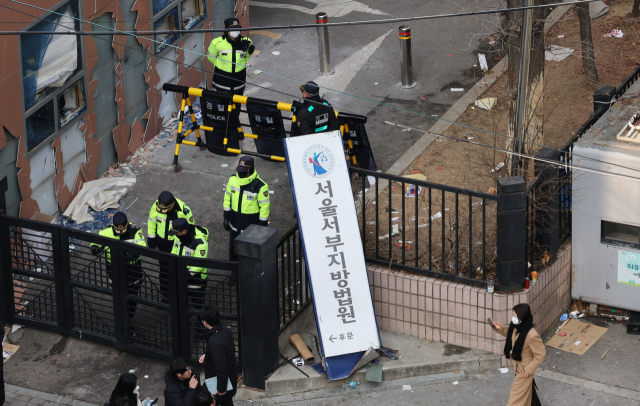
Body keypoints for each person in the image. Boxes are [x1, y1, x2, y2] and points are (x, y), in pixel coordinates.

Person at [90, 211, 145, 320]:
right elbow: (96, 242)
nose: (120, 232)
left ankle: (129, 319)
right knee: (118, 296)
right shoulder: (106, 231)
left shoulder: (135, 231)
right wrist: (95, 247)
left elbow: (141, 246)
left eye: (122, 230)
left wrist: (132, 255)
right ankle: (122, 319)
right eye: (117, 230)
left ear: (127, 224)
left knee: (132, 296)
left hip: (132, 270)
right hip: (114, 269)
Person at [493, 303, 546, 406]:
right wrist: (499, 328)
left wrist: (530, 369)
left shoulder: (532, 335)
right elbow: (511, 334)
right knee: (527, 391)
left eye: (515, 316)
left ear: (522, 318)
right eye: (513, 315)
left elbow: (540, 354)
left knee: (516, 397)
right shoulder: (517, 327)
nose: (513, 318)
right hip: (517, 366)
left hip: (525, 371)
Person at [148, 191, 194, 301]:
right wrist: (151, 238)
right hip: (162, 246)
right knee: (164, 273)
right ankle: (166, 297)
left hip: (176, 247)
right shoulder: (157, 206)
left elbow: (190, 230)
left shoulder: (183, 211)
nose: (162, 211)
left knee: (178, 273)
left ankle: (180, 297)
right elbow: (152, 222)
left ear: (172, 204)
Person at [223, 156, 270, 262]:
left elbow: (264, 208)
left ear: (249, 170)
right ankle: (234, 273)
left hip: (250, 229)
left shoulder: (261, 186)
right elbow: (227, 198)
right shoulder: (232, 179)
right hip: (234, 226)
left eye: (243, 171)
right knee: (233, 249)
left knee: (249, 254)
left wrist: (261, 227)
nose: (240, 173)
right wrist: (226, 217)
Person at [198, 304, 238, 406]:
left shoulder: (214, 342)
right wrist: (207, 355)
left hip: (219, 383)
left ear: (205, 322)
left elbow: (221, 369)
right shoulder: (225, 330)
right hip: (229, 379)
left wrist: (221, 389)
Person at [207, 18, 254, 95]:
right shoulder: (217, 43)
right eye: (233, 29)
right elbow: (210, 57)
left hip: (239, 79)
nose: (236, 31)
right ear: (227, 30)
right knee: (223, 105)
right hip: (222, 80)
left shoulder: (246, 42)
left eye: (238, 29)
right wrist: (222, 66)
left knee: (237, 104)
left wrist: (239, 65)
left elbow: (246, 57)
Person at [169, 219, 209, 309]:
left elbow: (198, 265)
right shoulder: (179, 236)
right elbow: (174, 250)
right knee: (182, 304)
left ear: (184, 231)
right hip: (181, 276)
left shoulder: (200, 243)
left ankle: (200, 323)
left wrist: (184, 274)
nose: (174, 234)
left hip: (196, 280)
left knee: (198, 307)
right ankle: (185, 322)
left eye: (176, 232)